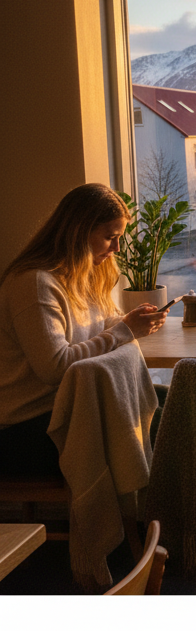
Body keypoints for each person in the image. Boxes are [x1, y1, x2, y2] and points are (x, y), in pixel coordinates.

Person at [0, 183, 168, 475]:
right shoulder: (35, 284)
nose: (116, 248)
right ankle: (153, 516)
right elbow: (55, 367)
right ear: (78, 233)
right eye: (109, 237)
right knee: (167, 431)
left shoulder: (81, 275)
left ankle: (160, 515)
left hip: (72, 407)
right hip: (28, 426)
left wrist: (129, 321)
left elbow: (99, 326)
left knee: (176, 401)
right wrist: (124, 331)